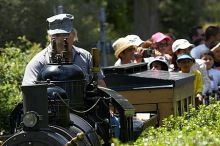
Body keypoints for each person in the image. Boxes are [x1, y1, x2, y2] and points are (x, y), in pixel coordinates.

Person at [22, 13, 106, 87]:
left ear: (74, 35)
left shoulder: (86, 57)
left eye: (66, 34)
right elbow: (30, 91)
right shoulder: (39, 62)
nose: (62, 39)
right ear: (49, 37)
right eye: (57, 35)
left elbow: (100, 84)